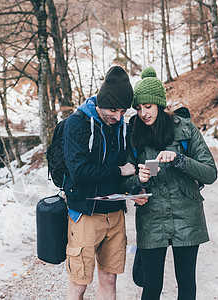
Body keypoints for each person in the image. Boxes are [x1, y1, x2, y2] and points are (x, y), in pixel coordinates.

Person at [122, 67, 218, 300]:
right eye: (138, 108)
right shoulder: (133, 134)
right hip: (151, 219)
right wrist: (137, 181)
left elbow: (210, 173)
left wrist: (181, 160)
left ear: (159, 104)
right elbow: (124, 181)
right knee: (151, 286)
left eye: (148, 106)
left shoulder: (185, 128)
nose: (143, 113)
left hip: (187, 216)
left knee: (186, 285)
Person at [62, 66, 140, 300]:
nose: (117, 117)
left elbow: (130, 169)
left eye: (122, 111)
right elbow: (78, 171)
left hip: (114, 214)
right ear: (101, 101)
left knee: (109, 278)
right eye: (113, 110)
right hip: (85, 214)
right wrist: (118, 171)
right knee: (79, 283)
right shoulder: (77, 123)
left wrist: (136, 187)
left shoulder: (121, 127)